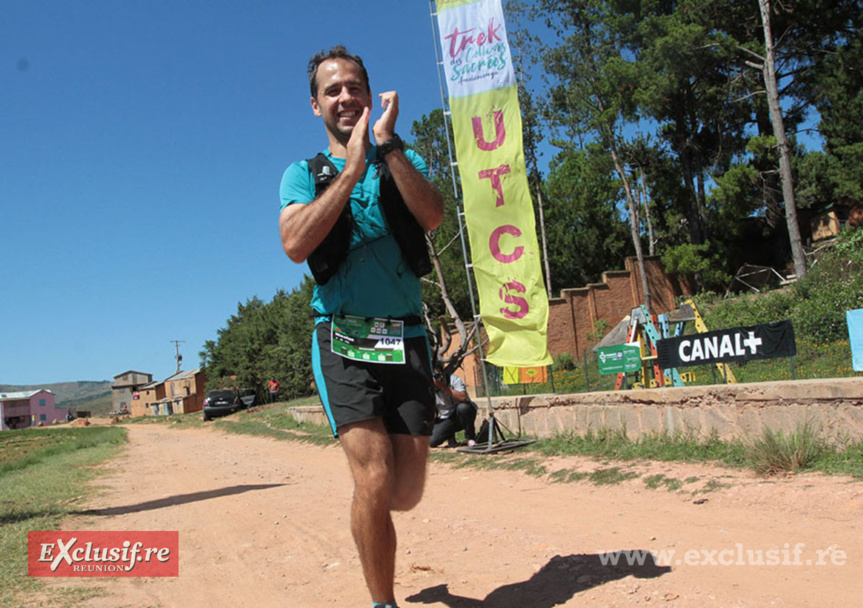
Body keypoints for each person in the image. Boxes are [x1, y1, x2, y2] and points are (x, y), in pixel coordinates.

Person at [278, 46, 445, 608]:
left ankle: (373, 515)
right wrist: (350, 170)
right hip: (342, 338)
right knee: (372, 478)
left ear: (370, 95)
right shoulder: (303, 175)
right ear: (315, 105)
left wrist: (386, 145)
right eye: (333, 90)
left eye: (354, 87)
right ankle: (383, 602)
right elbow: (294, 243)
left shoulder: (399, 156)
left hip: (406, 336)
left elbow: (433, 215)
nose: (345, 97)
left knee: (405, 491)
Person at [430, 364, 478, 448]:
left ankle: (470, 438)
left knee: (463, 408)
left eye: (438, 374)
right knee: (432, 441)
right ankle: (451, 438)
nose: (438, 378)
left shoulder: (454, 379)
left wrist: (443, 387)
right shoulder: (428, 386)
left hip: (462, 414)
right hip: (446, 417)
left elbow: (462, 397)